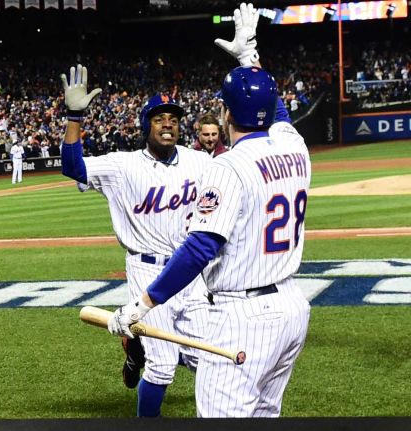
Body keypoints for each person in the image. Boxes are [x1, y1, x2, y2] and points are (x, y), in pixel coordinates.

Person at [107, 3, 311, 417]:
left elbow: (200, 247)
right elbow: (278, 110)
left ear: (225, 112)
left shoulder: (228, 166)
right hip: (292, 308)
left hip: (243, 315)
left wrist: (142, 305)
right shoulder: (295, 145)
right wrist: (250, 55)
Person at [59, 64, 212, 417]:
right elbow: (72, 167)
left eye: (173, 118)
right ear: (147, 125)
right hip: (147, 272)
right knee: (162, 368)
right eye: (159, 118)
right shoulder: (122, 166)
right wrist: (74, 117)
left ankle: (135, 347)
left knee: (208, 359)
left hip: (189, 274)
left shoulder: (199, 162)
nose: (168, 123)